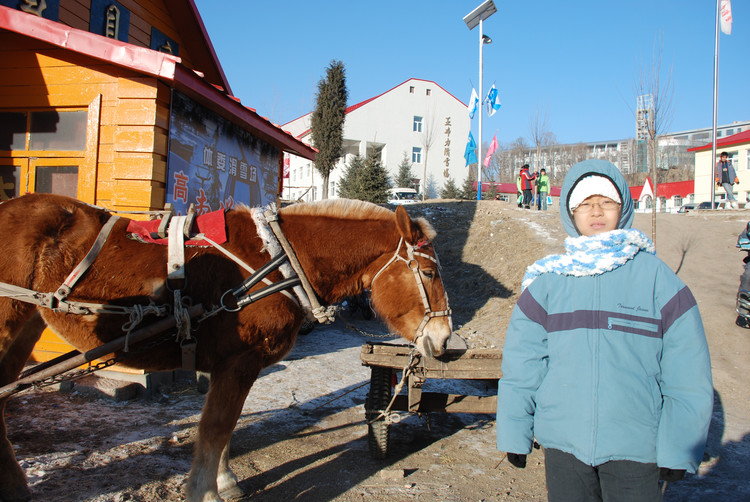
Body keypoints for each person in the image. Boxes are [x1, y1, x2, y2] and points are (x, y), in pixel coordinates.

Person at [496, 159, 713, 502]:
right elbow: (523, 365)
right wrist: (514, 430)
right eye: (585, 203)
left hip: (636, 447)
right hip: (564, 445)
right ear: (571, 211)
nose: (596, 210)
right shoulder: (549, 282)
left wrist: (678, 445)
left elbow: (687, 371)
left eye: (606, 201)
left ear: (623, 207)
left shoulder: (658, 280)